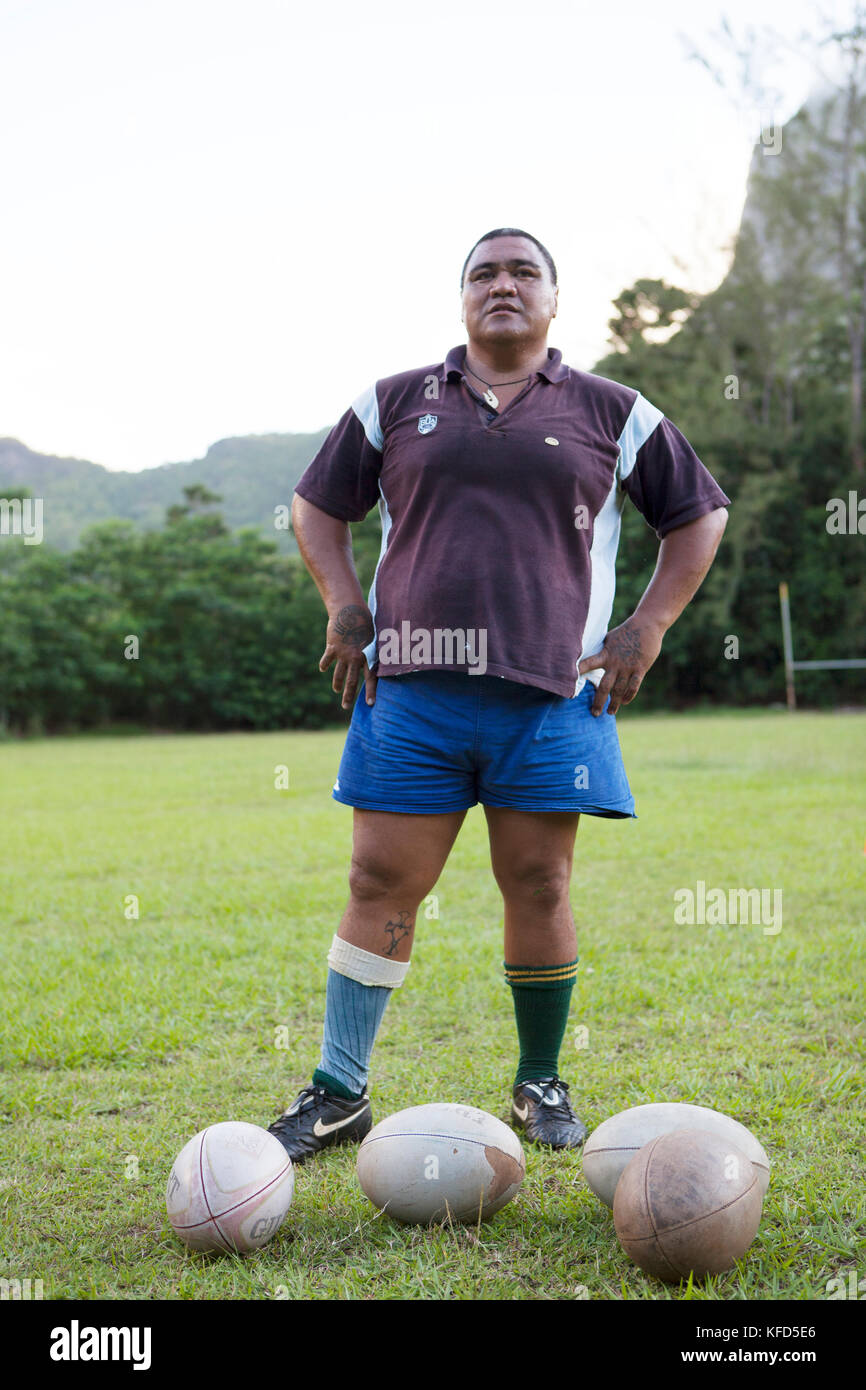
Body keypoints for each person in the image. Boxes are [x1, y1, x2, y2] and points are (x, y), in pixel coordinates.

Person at [267, 228, 730, 1163]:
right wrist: (345, 604)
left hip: (550, 694)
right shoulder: (395, 402)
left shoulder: (614, 409)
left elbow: (699, 511)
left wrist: (647, 627)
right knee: (378, 883)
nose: (503, 284)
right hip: (414, 691)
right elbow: (318, 506)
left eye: (525, 272)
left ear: (555, 300)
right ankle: (339, 1088)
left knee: (540, 881)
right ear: (463, 299)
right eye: (485, 272)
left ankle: (540, 1079)